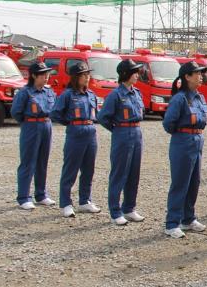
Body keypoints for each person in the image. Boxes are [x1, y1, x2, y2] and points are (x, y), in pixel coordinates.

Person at [162, 61, 207, 238]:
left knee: (194, 182)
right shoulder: (179, 98)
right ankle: (172, 222)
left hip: (197, 140)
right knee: (180, 183)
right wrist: (183, 134)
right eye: (197, 73)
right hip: (182, 141)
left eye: (201, 73)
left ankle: (188, 219)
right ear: (187, 77)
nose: (201, 76)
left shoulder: (199, 97)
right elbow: (168, 123)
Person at [98, 59, 145, 225]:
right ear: (125, 74)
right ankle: (115, 211)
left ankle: (129, 208)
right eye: (134, 72)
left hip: (136, 132)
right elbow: (103, 117)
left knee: (134, 173)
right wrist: (117, 129)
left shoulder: (137, 92)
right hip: (122, 132)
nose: (137, 75)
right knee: (119, 173)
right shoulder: (116, 95)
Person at [50, 62, 101, 217]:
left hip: (90, 132)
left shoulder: (91, 94)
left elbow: (96, 114)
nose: (87, 78)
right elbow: (56, 114)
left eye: (88, 74)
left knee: (88, 169)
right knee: (70, 169)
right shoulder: (68, 95)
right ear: (76, 77)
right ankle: (66, 203)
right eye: (84, 75)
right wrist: (71, 123)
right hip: (75, 133)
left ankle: (85, 200)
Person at [11, 61, 56, 210]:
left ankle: (41, 194)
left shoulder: (49, 91)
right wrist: (28, 122)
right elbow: (16, 112)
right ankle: (24, 197)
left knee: (42, 161)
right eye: (43, 75)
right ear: (34, 75)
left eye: (47, 74)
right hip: (31, 125)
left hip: (46, 125)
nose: (46, 77)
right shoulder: (25, 92)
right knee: (28, 161)